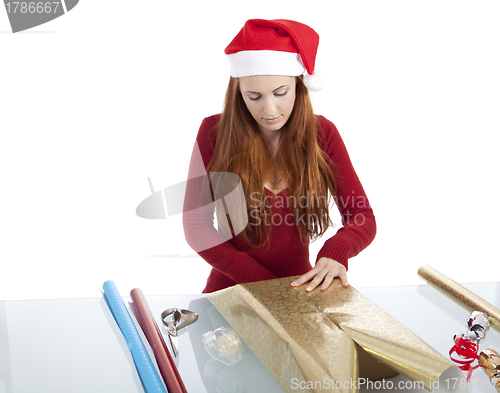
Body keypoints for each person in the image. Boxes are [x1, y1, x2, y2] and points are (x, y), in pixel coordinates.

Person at [183, 19, 376, 293]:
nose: (269, 109)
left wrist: (336, 250)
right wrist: (260, 283)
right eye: (254, 96)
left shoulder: (323, 134)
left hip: (299, 291)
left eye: (280, 93)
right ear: (239, 93)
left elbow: (361, 215)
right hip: (229, 294)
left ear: (299, 85)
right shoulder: (214, 133)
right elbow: (195, 226)